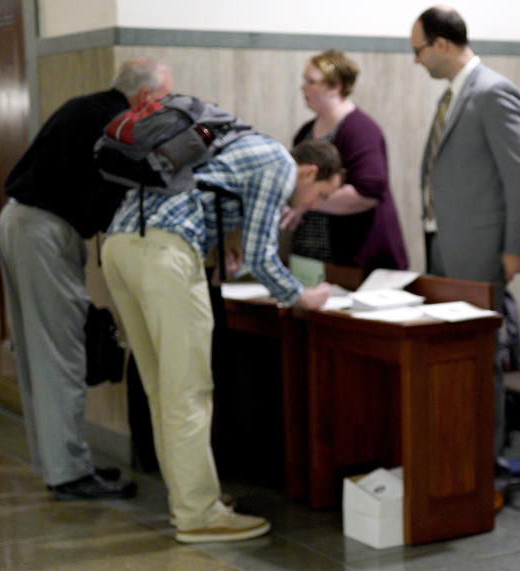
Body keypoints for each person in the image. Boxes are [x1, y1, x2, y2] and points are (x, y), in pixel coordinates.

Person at [101, 135, 342, 543]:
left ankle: (189, 498)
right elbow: (262, 254)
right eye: (320, 195)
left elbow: (209, 196)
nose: (314, 205)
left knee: (162, 389)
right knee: (189, 390)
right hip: (165, 254)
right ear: (309, 171)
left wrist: (225, 237)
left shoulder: (245, 144)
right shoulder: (280, 166)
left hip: (119, 245)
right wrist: (303, 297)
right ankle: (199, 514)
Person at [0, 57, 172, 500]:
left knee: (43, 352)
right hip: (43, 230)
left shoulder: (89, 108)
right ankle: (69, 473)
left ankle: (59, 463)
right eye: (165, 100)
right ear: (147, 97)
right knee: (61, 353)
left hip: (23, 222)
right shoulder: (116, 124)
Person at [410, 6, 520, 459]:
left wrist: (516, 247)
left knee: (482, 357)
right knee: (456, 355)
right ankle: (458, 454)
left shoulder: (492, 91)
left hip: (480, 248)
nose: (416, 60)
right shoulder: (454, 94)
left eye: (419, 50)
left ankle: (487, 460)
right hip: (444, 242)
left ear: (442, 44)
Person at [281, 50, 408, 273]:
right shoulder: (305, 133)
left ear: (335, 86)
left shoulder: (360, 129)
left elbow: (368, 192)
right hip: (310, 254)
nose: (303, 87)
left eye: (311, 81)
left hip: (353, 254)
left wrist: (308, 201)